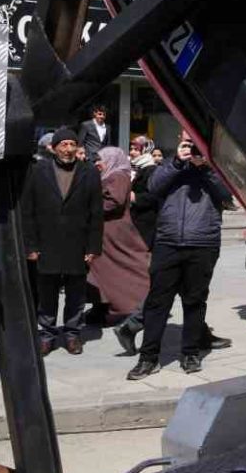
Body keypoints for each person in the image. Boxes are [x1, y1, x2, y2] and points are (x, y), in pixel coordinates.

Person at [127, 135, 233, 378]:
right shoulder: (168, 163)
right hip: (168, 241)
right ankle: (148, 357)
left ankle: (191, 353)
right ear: (180, 139)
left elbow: (227, 194)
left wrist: (206, 167)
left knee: (195, 300)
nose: (191, 145)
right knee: (157, 302)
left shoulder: (216, 164)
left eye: (194, 141)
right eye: (187, 141)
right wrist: (177, 162)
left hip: (203, 242)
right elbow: (153, 187)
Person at [20, 129, 103, 356]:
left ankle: (72, 334)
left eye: (72, 144)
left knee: (76, 293)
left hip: (78, 243)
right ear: (54, 148)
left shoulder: (89, 172)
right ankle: (46, 335)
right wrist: (30, 246)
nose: (68, 149)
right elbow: (27, 212)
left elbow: (96, 213)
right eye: (63, 144)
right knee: (47, 292)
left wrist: (93, 246)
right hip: (46, 243)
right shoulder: (38, 171)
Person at [89, 147, 151, 322]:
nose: (98, 163)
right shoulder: (110, 175)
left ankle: (129, 307)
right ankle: (107, 306)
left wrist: (90, 204)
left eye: (101, 159)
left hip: (114, 231)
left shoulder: (117, 176)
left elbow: (114, 202)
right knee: (106, 272)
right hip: (108, 231)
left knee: (123, 268)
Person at [128, 135, 160, 248]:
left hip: (144, 221)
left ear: (145, 150)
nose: (132, 152)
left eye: (136, 149)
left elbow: (155, 196)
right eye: (131, 149)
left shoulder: (152, 170)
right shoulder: (130, 167)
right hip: (130, 220)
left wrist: (135, 198)